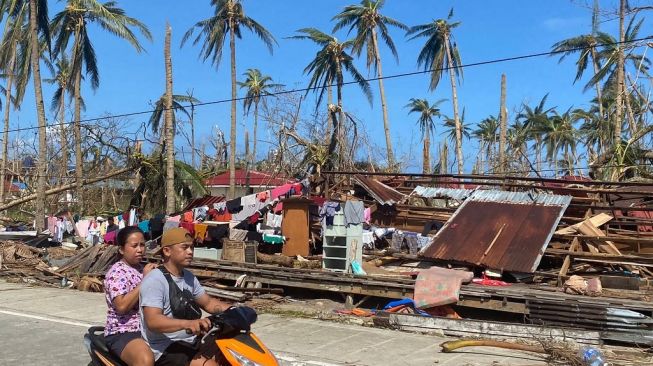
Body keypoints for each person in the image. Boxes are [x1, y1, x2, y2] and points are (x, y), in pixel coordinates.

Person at [140, 228, 231, 366]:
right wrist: (187, 323)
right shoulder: (155, 280)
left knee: (230, 351)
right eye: (185, 247)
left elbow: (208, 303)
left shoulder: (188, 276)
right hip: (165, 347)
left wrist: (235, 310)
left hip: (191, 340)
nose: (190, 251)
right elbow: (153, 321)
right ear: (167, 251)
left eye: (192, 247)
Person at [103, 226, 157, 366]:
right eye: (134, 246)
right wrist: (145, 281)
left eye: (142, 245)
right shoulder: (117, 272)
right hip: (123, 330)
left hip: (149, 326)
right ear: (121, 249)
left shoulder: (142, 268)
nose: (140, 249)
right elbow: (121, 306)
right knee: (145, 360)